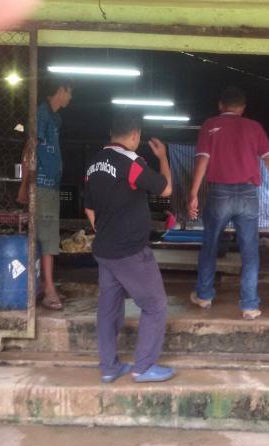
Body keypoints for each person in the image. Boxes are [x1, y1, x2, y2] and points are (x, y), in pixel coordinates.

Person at [83, 111, 175, 383]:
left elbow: (89, 208)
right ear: (135, 135)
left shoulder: (93, 164)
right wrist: (163, 157)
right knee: (155, 304)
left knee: (109, 308)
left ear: (112, 133)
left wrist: (106, 232)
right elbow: (165, 189)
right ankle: (143, 367)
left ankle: (109, 368)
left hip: (105, 250)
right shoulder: (131, 162)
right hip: (130, 251)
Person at [187, 86, 269, 320]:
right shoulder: (254, 127)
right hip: (248, 194)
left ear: (220, 105)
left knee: (210, 245)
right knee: (250, 251)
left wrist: (193, 193)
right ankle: (249, 306)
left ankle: (204, 296)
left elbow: (202, 160)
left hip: (219, 193)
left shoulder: (210, 125)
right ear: (243, 108)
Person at [17, 78, 73, 310]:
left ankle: (42, 284)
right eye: (70, 92)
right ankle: (48, 289)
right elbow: (30, 149)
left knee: (44, 234)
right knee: (48, 236)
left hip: (50, 185)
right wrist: (24, 185)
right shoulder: (42, 113)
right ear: (61, 90)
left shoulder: (54, 117)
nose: (71, 98)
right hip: (41, 185)